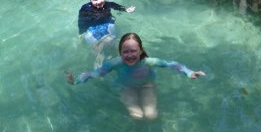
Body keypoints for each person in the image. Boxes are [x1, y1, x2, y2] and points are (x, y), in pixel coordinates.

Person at [65, 32, 205, 120]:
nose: (130, 55)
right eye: (125, 52)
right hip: (127, 88)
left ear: (140, 51)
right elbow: (95, 73)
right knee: (137, 115)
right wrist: (75, 81)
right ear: (120, 52)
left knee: (151, 115)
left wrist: (190, 72)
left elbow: (171, 64)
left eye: (133, 51)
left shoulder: (148, 62)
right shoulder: (115, 63)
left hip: (147, 86)